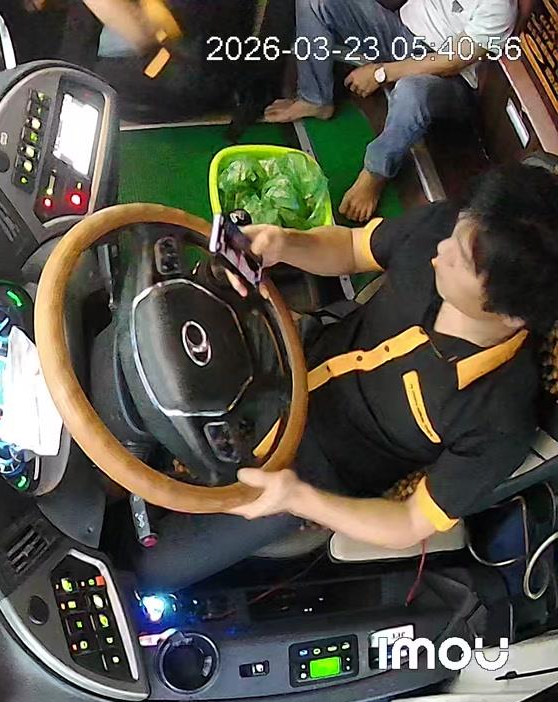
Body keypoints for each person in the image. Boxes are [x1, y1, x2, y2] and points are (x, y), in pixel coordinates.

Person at [131, 162, 558, 591]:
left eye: (460, 260)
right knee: (148, 344)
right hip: (293, 350)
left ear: (511, 314)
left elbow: (410, 522)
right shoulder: (447, 229)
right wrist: (287, 243)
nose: (442, 248)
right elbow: (354, 247)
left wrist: (300, 498)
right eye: (457, 229)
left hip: (312, 470)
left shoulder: (499, 421)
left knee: (152, 570)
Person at [265, 0, 518, 222]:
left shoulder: (499, 8)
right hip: (400, 34)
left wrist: (381, 73)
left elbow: (451, 62)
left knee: (411, 91)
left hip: (451, 79)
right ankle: (315, 99)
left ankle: (376, 172)